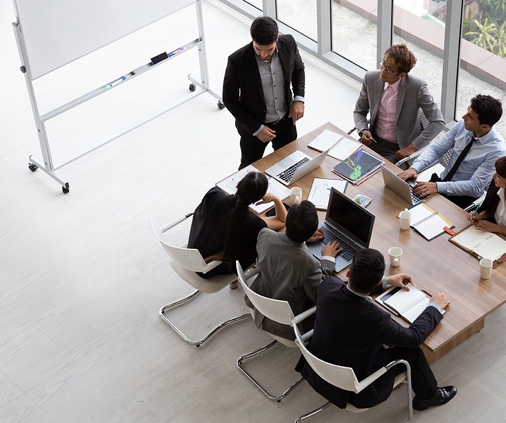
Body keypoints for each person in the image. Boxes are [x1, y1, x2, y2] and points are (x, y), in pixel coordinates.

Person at [299, 248, 456, 411]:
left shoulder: (327, 286)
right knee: (413, 352)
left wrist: (387, 281)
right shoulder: (375, 319)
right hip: (355, 389)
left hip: (316, 367)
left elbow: (346, 289)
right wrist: (435, 307)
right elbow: (414, 337)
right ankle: (429, 397)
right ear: (377, 282)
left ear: (348, 274)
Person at [246, 200, 341, 340]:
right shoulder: (309, 263)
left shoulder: (264, 234)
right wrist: (327, 259)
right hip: (287, 322)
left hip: (260, 300)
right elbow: (319, 294)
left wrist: (301, 238)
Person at [222, 16, 306, 170]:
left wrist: (299, 98)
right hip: (253, 127)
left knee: (290, 165)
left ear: (277, 38)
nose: (263, 55)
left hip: (285, 120)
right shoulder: (237, 61)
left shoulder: (289, 43)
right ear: (252, 39)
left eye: (269, 50)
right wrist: (257, 128)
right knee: (249, 171)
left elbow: (298, 69)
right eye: (258, 49)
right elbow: (229, 99)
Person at [399, 94, 506, 209]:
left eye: (470, 117)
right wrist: (414, 168)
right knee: (400, 204)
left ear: (485, 126)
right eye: (467, 111)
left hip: (462, 198)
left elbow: (474, 186)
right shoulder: (462, 125)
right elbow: (436, 150)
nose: (463, 117)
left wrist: (437, 187)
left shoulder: (497, 150)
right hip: (439, 183)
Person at [187, 171, 286, 286]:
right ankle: (234, 280)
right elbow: (282, 221)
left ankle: (234, 282)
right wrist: (276, 198)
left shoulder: (214, 195)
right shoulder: (253, 224)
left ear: (239, 183)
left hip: (192, 254)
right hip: (209, 269)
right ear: (258, 199)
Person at [353, 44, 444, 163]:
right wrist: (363, 130)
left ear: (402, 75)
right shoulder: (370, 78)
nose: (383, 70)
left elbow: (438, 122)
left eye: (389, 69)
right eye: (383, 64)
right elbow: (359, 111)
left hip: (398, 150)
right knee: (346, 167)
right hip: (372, 141)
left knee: (378, 179)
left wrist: (411, 148)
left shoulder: (417, 87)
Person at [469, 156, 506, 234]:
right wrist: (480, 216)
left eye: (498, 176)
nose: (493, 176)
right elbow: (490, 210)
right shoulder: (496, 185)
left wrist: (497, 228)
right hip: (492, 234)